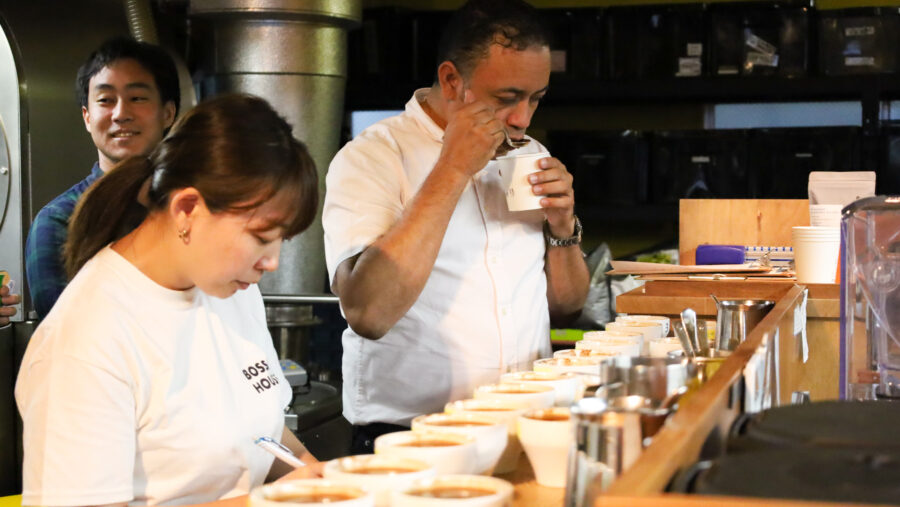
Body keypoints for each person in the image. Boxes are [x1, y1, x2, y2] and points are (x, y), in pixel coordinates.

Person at [16, 94, 321, 506]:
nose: (271, 262)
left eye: (281, 240)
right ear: (187, 208)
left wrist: (312, 472)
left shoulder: (228, 287)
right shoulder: (85, 340)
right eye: (261, 238)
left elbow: (255, 425)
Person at [323, 0, 590, 453]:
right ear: (451, 80)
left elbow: (565, 308)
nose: (523, 118)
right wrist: (452, 167)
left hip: (526, 422)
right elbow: (368, 313)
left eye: (535, 99)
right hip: (412, 437)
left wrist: (562, 227)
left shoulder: (531, 153)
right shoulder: (373, 156)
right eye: (506, 98)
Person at [25, 37, 179, 319]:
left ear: (168, 113)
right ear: (87, 117)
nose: (120, 114)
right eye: (106, 100)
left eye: (137, 98)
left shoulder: (192, 208)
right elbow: (67, 330)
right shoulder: (58, 221)